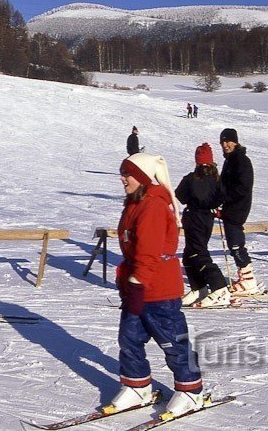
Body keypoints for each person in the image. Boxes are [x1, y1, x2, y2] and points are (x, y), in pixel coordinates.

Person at [104, 153, 204, 418]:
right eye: (123, 173)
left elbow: (149, 251)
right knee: (129, 339)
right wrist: (131, 284)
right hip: (137, 284)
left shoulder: (153, 206)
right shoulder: (135, 203)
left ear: (143, 177)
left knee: (172, 342)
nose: (123, 178)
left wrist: (137, 284)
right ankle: (138, 386)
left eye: (128, 173)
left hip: (158, 287)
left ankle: (191, 390)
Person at [175, 143, 229, 307]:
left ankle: (219, 288)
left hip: (194, 217)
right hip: (206, 218)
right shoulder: (216, 180)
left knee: (197, 253)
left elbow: (180, 195)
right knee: (190, 253)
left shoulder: (191, 178)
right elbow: (222, 197)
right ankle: (199, 287)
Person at [218, 128, 260, 295]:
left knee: (236, 244)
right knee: (233, 243)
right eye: (223, 142)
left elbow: (243, 187)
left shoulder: (241, 160)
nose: (225, 145)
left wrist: (225, 199)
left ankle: (249, 280)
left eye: (228, 141)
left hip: (237, 208)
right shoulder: (231, 160)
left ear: (235, 142)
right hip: (230, 207)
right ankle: (245, 276)